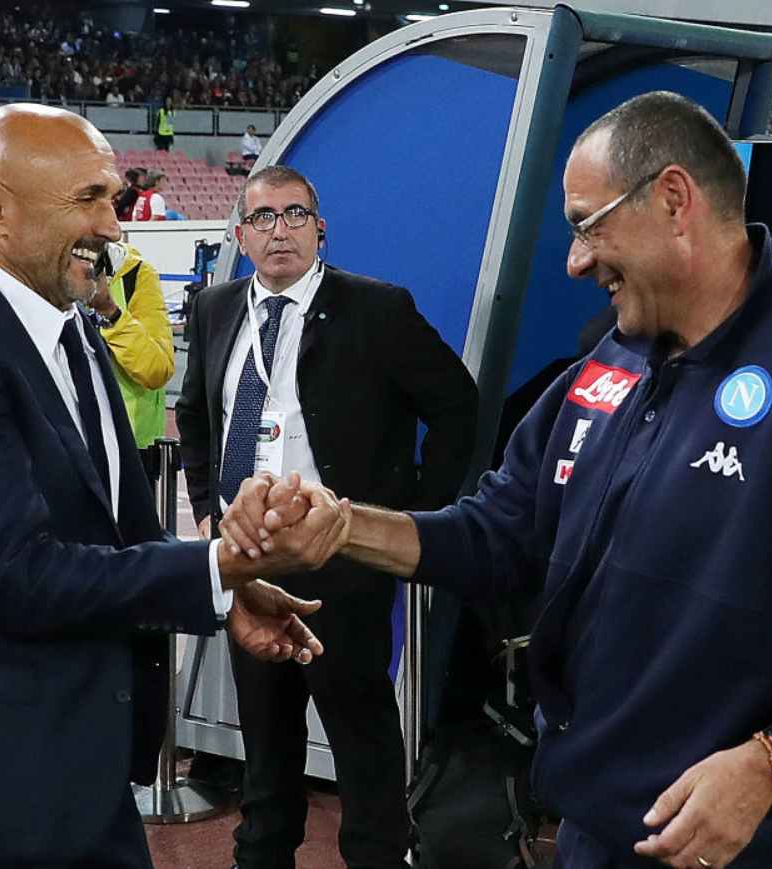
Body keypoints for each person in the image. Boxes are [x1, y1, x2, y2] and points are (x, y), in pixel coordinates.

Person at [220, 92, 772, 868]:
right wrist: (341, 524)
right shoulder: (612, 359)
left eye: (587, 224)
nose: (576, 258)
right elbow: (500, 532)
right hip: (597, 830)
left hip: (748, 845)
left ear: (673, 200)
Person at [0, 103, 339, 868]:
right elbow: (20, 575)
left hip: (84, 762)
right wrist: (219, 565)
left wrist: (222, 596)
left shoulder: (72, 325)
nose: (114, 226)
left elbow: (121, 533)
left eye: (112, 197)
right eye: (89, 199)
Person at [175, 164, 478, 869]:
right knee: (266, 744)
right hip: (248, 558)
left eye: (294, 215)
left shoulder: (377, 309)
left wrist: (404, 520)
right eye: (263, 219)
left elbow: (457, 406)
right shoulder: (217, 308)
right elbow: (194, 416)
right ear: (242, 236)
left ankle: (377, 856)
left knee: (360, 735)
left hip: (340, 559)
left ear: (320, 229)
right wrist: (206, 514)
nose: (279, 231)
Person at [89, 240, 174, 474]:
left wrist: (110, 313)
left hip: (131, 451)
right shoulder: (43, 273)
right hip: (67, 447)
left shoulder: (134, 275)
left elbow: (157, 369)